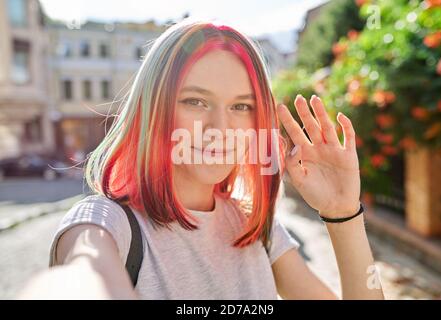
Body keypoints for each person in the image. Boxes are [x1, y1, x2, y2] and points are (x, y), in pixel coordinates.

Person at [19, 18, 384, 300]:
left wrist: (342, 212)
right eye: (195, 101)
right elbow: (81, 278)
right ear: (154, 110)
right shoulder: (106, 223)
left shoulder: (257, 228)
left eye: (241, 106)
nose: (221, 127)